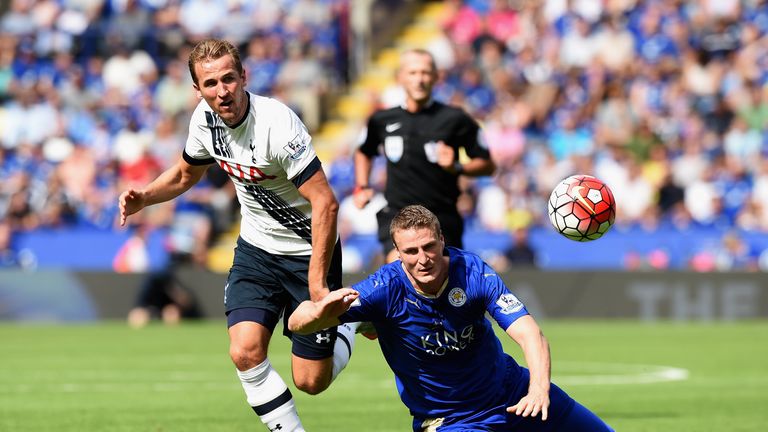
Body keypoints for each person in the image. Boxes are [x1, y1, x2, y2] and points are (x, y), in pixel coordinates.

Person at [118, 38, 357, 432]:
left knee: (311, 381)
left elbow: (326, 204)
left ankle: (351, 322)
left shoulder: (277, 125)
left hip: (308, 253)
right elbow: (183, 175)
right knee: (245, 352)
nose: (221, 91)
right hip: (256, 252)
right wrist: (145, 196)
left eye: (229, 79)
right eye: (210, 84)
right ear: (198, 90)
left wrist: (317, 284)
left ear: (244, 77)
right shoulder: (203, 120)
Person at [289, 205, 613, 432]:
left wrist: (539, 389)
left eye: (429, 246)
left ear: (442, 240)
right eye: (411, 252)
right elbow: (297, 321)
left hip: (514, 391)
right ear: (398, 253)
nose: (423, 259)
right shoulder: (382, 289)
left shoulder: (472, 272)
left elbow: (530, 333)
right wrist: (316, 312)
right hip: (453, 420)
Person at [354, 48, 496, 263]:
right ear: (400, 77)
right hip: (398, 214)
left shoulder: (455, 118)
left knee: (443, 284)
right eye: (413, 73)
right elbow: (364, 152)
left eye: (425, 73)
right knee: (401, 266)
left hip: (442, 217)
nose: (419, 79)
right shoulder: (381, 119)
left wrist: (457, 167)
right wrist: (362, 185)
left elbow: (487, 165)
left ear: (436, 77)